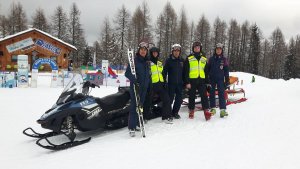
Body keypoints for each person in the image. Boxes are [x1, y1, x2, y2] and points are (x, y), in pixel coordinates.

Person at [125, 41, 152, 137]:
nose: (143, 51)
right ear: (139, 50)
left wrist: (149, 81)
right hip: (135, 87)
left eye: (145, 50)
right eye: (142, 50)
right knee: (134, 107)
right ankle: (131, 127)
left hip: (144, 88)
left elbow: (148, 74)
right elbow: (127, 73)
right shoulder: (134, 60)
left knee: (140, 106)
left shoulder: (147, 62)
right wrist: (134, 79)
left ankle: (137, 123)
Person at [183, 41, 212, 120]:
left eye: (198, 47)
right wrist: (187, 82)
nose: (197, 48)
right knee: (192, 96)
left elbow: (206, 72)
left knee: (204, 96)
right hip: (192, 80)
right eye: (195, 47)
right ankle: (191, 110)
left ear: (200, 48)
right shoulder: (189, 58)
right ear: (193, 48)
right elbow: (186, 71)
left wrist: (208, 83)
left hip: (201, 80)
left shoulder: (204, 59)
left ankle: (206, 111)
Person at [149, 46, 173, 123]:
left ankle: (166, 117)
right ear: (151, 53)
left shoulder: (160, 63)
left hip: (160, 84)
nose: (155, 54)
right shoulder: (148, 62)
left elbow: (162, 74)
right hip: (152, 84)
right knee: (148, 101)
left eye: (156, 52)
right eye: (153, 52)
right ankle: (144, 117)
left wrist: (164, 82)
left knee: (167, 99)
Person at [207, 43, 230, 118]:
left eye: (220, 49)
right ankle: (213, 108)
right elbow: (207, 69)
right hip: (212, 79)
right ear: (215, 50)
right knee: (211, 93)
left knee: (221, 93)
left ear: (222, 50)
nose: (218, 50)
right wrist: (207, 80)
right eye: (217, 49)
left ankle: (222, 110)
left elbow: (226, 70)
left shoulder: (224, 59)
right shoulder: (211, 59)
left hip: (220, 79)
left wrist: (227, 80)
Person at [162, 44, 184, 119]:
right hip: (171, 84)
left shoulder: (182, 60)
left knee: (179, 99)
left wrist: (185, 82)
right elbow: (164, 72)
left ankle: (175, 112)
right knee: (170, 99)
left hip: (180, 84)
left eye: (178, 51)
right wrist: (164, 82)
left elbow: (184, 72)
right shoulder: (169, 60)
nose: (176, 52)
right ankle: (168, 113)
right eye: (175, 51)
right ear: (172, 51)